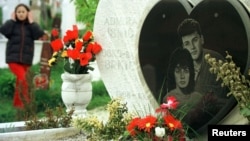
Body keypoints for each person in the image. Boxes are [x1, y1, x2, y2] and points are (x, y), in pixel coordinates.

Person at [0, 3, 48, 109]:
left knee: (21, 81)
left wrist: (31, 22)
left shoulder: (31, 27)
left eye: (23, 12)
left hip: (26, 59)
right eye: (19, 12)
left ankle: (18, 104)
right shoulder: (12, 24)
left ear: (27, 13)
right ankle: (25, 103)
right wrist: (12, 20)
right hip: (13, 58)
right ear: (15, 13)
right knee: (23, 78)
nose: (21, 14)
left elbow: (39, 34)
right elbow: (3, 30)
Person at [177, 18, 226, 97]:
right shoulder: (182, 69)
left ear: (202, 39)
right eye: (187, 44)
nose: (192, 47)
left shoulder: (216, 61)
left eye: (195, 40)